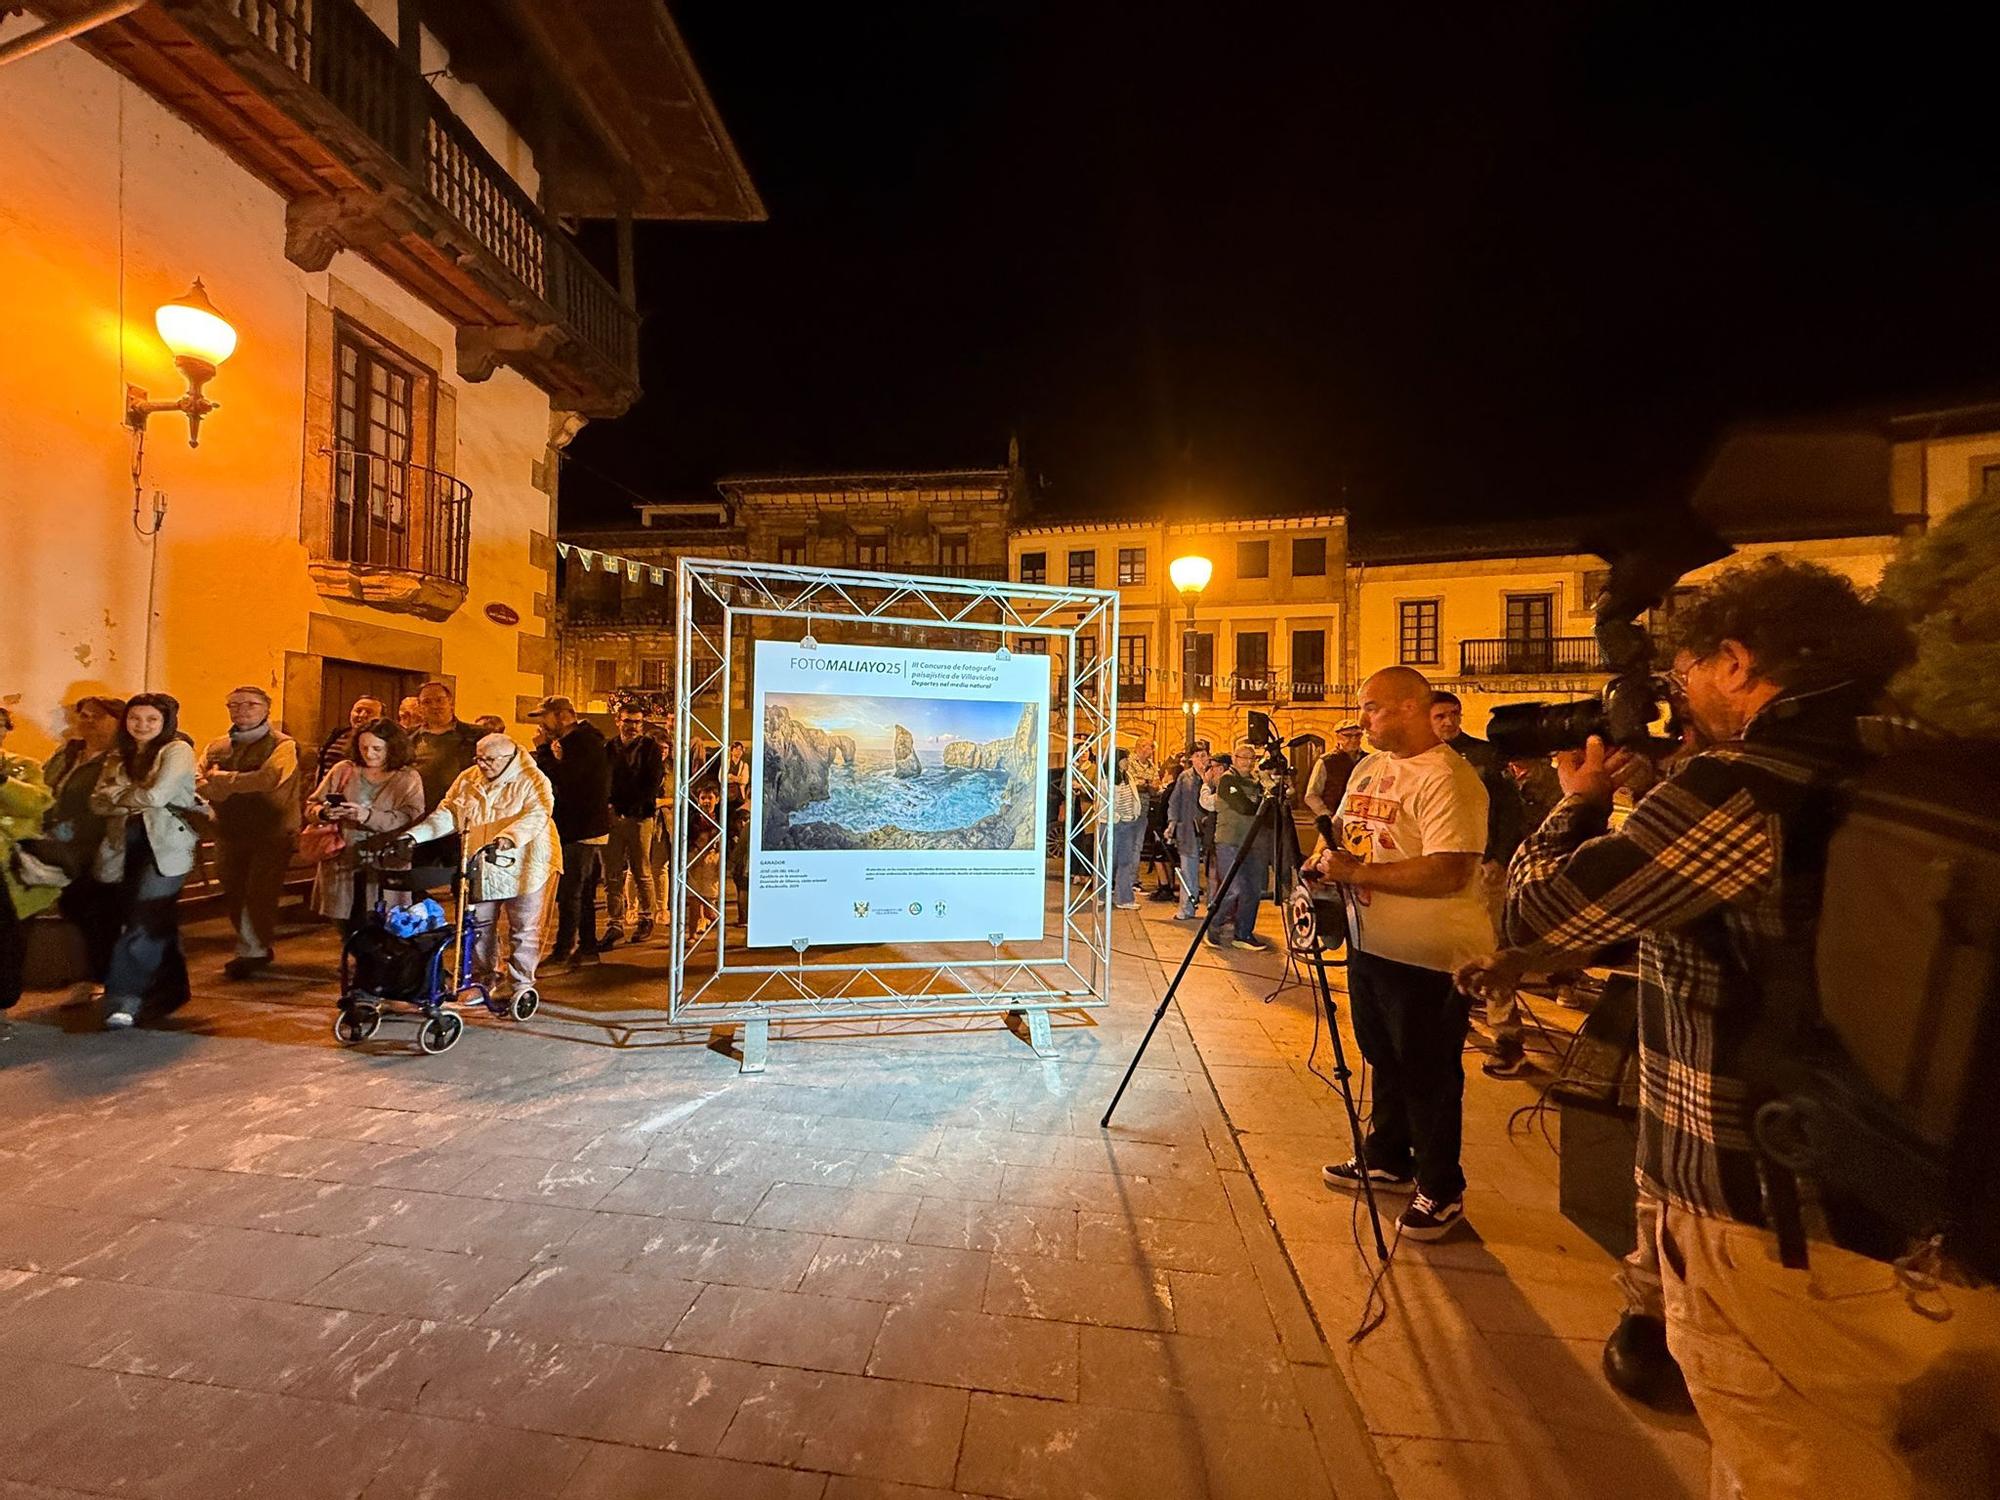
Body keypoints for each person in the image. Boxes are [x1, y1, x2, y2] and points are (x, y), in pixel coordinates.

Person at [1455, 558, 1994, 1498]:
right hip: (1944, 1205)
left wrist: (1578, 801)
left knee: (1796, 1466)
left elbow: (1535, 916)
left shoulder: (1747, 787)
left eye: (1685, 675)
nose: (1679, 698)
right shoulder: (1919, 760)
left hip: (1783, 1222)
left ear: (1737, 664)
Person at [1307, 665, 1492, 1242]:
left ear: (1411, 708)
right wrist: (1324, 862)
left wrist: (1360, 871)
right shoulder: (1369, 767)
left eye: (1373, 707)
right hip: (1371, 941)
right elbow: (1341, 831)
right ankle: (1387, 1153)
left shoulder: (1448, 779)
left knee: (1428, 1072)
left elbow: (1450, 867)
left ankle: (1441, 1188)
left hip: (1429, 955)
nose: (1361, 720)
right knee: (1382, 1055)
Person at [396, 734, 559, 1008]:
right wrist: (415, 836)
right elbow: (448, 813)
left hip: (527, 863)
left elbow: (538, 813)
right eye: (478, 758)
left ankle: (520, 983)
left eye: (489, 759)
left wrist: (509, 837)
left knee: (524, 928)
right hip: (482, 860)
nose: (482, 764)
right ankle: (484, 979)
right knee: (479, 925)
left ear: (509, 758)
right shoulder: (468, 778)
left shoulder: (533, 778)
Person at [1430, 688, 1530, 1075]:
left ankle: (1507, 1036)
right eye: (1440, 716)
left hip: (1482, 867)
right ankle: (1454, 1016)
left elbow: (1510, 812)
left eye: (1453, 714)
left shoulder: (1486, 757)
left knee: (1488, 945)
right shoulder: (1420, 761)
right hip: (1440, 867)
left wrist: (1499, 858)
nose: (1449, 722)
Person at [91, 695, 201, 1028]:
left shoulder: (177, 750)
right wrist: (130, 799)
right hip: (124, 845)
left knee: (143, 921)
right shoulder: (117, 755)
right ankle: (171, 990)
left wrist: (120, 796)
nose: (142, 726)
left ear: (165, 722)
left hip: (166, 846)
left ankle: (125, 998)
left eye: (152, 719)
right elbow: (97, 802)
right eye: (135, 718)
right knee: (156, 923)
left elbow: (157, 796)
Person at [197, 686, 300, 979]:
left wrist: (222, 781)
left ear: (266, 709)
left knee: (259, 891)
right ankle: (251, 945)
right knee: (233, 887)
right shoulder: (216, 746)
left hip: (271, 830)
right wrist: (234, 783)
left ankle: (253, 949)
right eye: (234, 705)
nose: (241, 710)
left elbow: (268, 779)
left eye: (250, 705)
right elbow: (198, 779)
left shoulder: (283, 745)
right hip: (228, 828)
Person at [38, 696, 126, 1002]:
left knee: (101, 911)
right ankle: (89, 972)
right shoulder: (70, 752)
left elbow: (112, 802)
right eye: (84, 716)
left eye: (97, 717)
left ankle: (100, 976)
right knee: (74, 907)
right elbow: (45, 786)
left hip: (101, 845)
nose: (88, 722)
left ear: (118, 721)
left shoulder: (121, 758)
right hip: (63, 846)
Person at [302, 720, 424, 936]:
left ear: (392, 748)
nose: (369, 754)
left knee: (385, 922)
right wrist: (324, 812)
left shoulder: (407, 778)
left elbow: (409, 816)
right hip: (342, 858)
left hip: (385, 860)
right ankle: (354, 965)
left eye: (377, 749)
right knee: (345, 922)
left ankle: (376, 967)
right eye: (363, 748)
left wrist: (367, 815)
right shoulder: (343, 770)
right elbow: (312, 805)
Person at [532, 695, 611, 965]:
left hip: (580, 829)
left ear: (563, 716)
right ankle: (588, 949)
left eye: (545, 717)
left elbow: (563, 781)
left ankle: (563, 951)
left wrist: (543, 751)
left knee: (571, 893)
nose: (541, 724)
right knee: (583, 892)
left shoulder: (582, 743)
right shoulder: (579, 741)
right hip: (582, 827)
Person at [0, 706, 59, 1016]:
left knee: (8, 944)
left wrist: (3, 783)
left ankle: (2, 1009)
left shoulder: (23, 767)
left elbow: (37, 803)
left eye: (0, 725)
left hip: (15, 871)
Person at [407, 681, 483, 890]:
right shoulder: (408, 740)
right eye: (427, 702)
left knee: (464, 883)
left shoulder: (475, 736)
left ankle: (465, 922)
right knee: (416, 881)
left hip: (461, 821)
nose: (435, 706)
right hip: (422, 820)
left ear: (450, 701)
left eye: (439, 700)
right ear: (420, 707)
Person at [603, 707, 664, 945]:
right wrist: (609, 807)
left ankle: (647, 917)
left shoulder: (650, 749)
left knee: (642, 870)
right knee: (612, 874)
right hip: (613, 818)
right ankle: (614, 922)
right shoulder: (609, 748)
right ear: (618, 721)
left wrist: (629, 807)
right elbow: (604, 779)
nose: (633, 726)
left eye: (637, 722)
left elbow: (652, 783)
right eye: (628, 721)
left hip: (639, 817)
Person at [1207, 742, 1272, 951]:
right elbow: (1244, 806)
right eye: (1243, 757)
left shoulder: (1256, 781)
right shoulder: (1227, 781)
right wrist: (1262, 803)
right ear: (1234, 759)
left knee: (1253, 889)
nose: (1248, 762)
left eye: (1252, 758)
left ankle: (1243, 933)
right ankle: (1212, 927)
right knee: (1232, 888)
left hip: (1252, 842)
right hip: (1229, 841)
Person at [1166, 742, 1211, 919]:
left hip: (1208, 829)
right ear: (1191, 758)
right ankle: (1187, 907)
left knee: (1212, 870)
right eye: (1197, 755)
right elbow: (1174, 801)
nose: (1201, 759)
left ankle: (1212, 907)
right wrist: (1172, 823)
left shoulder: (1214, 775)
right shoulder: (1185, 777)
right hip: (1188, 829)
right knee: (1187, 869)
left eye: (1204, 755)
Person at [1304, 720, 1365, 819]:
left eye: (1358, 735)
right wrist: (1326, 815)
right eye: (1348, 736)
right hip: (1332, 816)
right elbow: (1311, 795)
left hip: (1360, 819)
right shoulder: (1326, 761)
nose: (1354, 739)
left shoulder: (1368, 760)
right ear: (1338, 737)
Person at [316, 695, 384, 784]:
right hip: (326, 793)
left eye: (369, 712)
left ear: (380, 718)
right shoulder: (338, 734)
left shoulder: (381, 742)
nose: (362, 715)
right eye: (358, 710)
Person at [1109, 747, 1146, 909]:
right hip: (1113, 823)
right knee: (1109, 861)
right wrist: (1116, 817)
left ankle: (1124, 897)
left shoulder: (1128, 776)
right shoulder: (1107, 778)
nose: (1127, 762)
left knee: (1125, 861)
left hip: (1128, 823)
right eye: (1125, 759)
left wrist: (1133, 814)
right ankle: (1103, 893)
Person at [724, 740, 751, 921]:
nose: (738, 752)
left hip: (743, 859)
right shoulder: (747, 814)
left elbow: (742, 779)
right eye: (736, 749)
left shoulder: (743, 765)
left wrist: (732, 861)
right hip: (732, 802)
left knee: (742, 885)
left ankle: (743, 919)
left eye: (740, 750)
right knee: (743, 886)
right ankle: (744, 919)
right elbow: (723, 777)